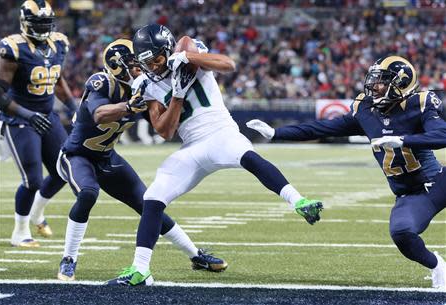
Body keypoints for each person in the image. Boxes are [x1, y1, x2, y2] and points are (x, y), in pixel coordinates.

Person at [107, 24, 323, 286]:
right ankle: (141, 270)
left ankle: (298, 201)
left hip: (221, 132)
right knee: (152, 197)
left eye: (157, 59)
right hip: (191, 146)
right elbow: (164, 130)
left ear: (167, 50)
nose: (152, 66)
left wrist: (188, 58)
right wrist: (177, 95)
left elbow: (228, 64)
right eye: (147, 62)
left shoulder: (186, 50)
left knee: (248, 156)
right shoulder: (145, 84)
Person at [247, 55, 446, 290]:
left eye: (382, 81)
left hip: (438, 181)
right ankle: (438, 266)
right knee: (401, 233)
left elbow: (442, 135)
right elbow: (321, 128)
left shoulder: (421, 103)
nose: (374, 86)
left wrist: (403, 140)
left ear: (401, 84)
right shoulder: (365, 109)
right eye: (374, 80)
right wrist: (276, 134)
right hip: (410, 194)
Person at [56, 39, 227, 281]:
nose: (141, 67)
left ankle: (195, 255)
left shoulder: (144, 87)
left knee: (149, 203)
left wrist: (180, 94)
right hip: (76, 155)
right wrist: (128, 105)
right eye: (134, 63)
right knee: (88, 193)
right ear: (117, 66)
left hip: (107, 157)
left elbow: (163, 126)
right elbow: (98, 114)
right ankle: (69, 258)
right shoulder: (102, 81)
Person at [0, 0, 76, 247]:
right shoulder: (14, 48)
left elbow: (57, 79)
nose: (42, 29)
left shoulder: (59, 43)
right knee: (33, 180)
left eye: (46, 24)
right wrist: (27, 115)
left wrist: (74, 107)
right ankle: (20, 232)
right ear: (25, 23)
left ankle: (37, 213)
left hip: (47, 115)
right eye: (37, 24)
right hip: (19, 118)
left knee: (63, 170)